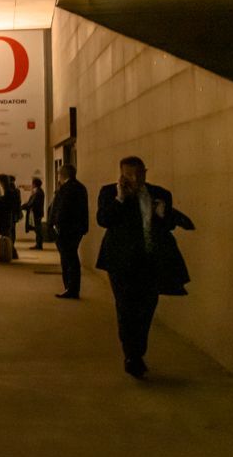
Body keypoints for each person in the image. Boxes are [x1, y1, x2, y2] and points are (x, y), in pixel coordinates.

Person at [95, 156, 194, 378]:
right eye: (129, 174)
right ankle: (132, 355)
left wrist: (163, 215)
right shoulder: (109, 192)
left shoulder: (160, 193)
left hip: (150, 261)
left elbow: (168, 226)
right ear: (121, 174)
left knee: (147, 306)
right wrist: (120, 199)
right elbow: (103, 219)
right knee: (125, 307)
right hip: (120, 261)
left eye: (139, 174)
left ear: (145, 172)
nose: (135, 179)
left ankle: (137, 350)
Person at [49, 163, 89, 299]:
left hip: (66, 229)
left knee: (68, 259)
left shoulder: (67, 189)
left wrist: (56, 225)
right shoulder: (80, 187)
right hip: (76, 228)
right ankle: (71, 287)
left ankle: (71, 288)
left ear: (62, 174)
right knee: (70, 257)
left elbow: (62, 209)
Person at [26, 175, 47, 248]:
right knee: (37, 229)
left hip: (37, 213)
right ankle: (38, 244)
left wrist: (24, 207)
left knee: (38, 229)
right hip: (38, 213)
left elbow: (33, 203)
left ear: (34, 184)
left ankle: (39, 244)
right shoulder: (39, 191)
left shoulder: (37, 192)